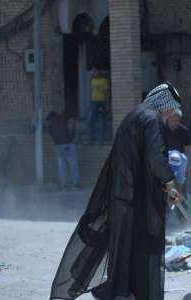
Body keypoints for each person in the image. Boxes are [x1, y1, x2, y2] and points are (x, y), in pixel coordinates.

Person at [50, 83, 181, 300]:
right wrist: (169, 182)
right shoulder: (152, 119)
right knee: (142, 243)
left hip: (122, 194)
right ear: (164, 103)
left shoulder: (134, 115)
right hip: (137, 198)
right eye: (170, 108)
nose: (170, 113)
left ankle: (123, 290)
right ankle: (138, 291)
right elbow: (155, 158)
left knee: (124, 245)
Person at [47, 112, 80, 190]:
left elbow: (52, 135)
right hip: (68, 144)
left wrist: (57, 142)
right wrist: (71, 138)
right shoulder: (64, 119)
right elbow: (71, 127)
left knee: (61, 166)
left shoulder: (50, 125)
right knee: (73, 164)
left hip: (58, 146)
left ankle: (63, 185)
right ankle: (75, 184)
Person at [89, 65, 110, 145]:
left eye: (95, 71)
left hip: (102, 102)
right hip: (94, 102)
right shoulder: (92, 80)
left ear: (98, 71)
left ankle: (102, 140)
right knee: (92, 121)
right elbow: (90, 92)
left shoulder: (103, 81)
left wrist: (107, 104)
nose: (93, 73)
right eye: (92, 71)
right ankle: (92, 139)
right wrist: (90, 103)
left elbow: (106, 93)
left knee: (102, 120)